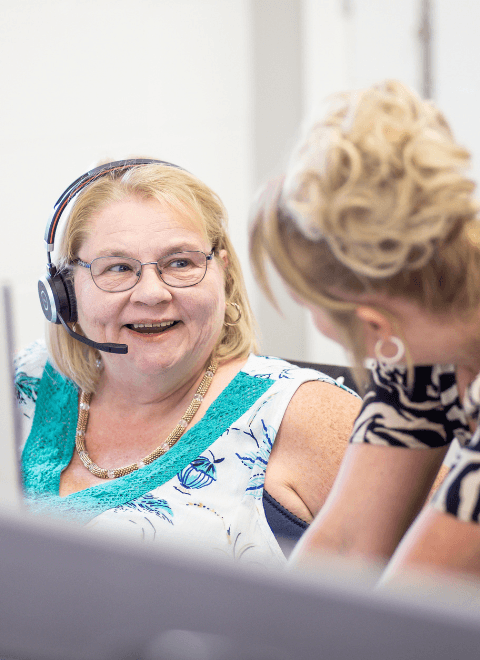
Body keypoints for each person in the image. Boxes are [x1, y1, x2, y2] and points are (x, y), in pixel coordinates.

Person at [15, 158, 360, 568]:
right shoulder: (28, 378)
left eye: (181, 263)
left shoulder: (305, 414)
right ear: (65, 291)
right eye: (118, 268)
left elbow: (449, 577)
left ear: (223, 273)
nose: (152, 293)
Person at [249, 79, 480, 580]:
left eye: (308, 305)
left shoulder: (405, 337)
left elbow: (412, 603)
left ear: (375, 326)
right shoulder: (420, 345)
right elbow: (346, 547)